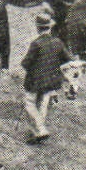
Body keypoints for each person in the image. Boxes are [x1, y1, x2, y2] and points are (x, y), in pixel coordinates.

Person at [19, 11, 70, 143]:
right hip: (51, 80)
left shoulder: (36, 44)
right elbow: (68, 60)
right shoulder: (58, 42)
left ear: (37, 28)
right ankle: (37, 134)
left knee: (29, 103)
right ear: (50, 27)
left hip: (35, 81)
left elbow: (25, 63)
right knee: (43, 105)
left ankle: (41, 129)